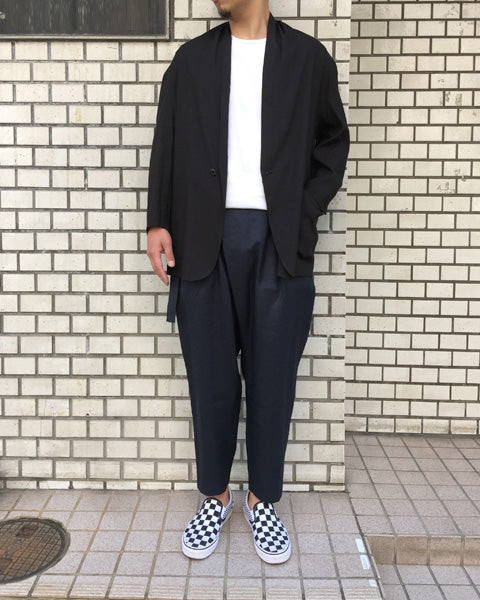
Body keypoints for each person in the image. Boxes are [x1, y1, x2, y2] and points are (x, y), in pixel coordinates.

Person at [146, 0, 349, 564]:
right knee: (210, 380)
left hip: (279, 243)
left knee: (272, 380)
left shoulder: (307, 59)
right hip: (202, 241)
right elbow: (166, 144)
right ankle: (215, 496)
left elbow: (333, 144)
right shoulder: (191, 61)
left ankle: (263, 501)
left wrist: (303, 210)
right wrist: (158, 221)